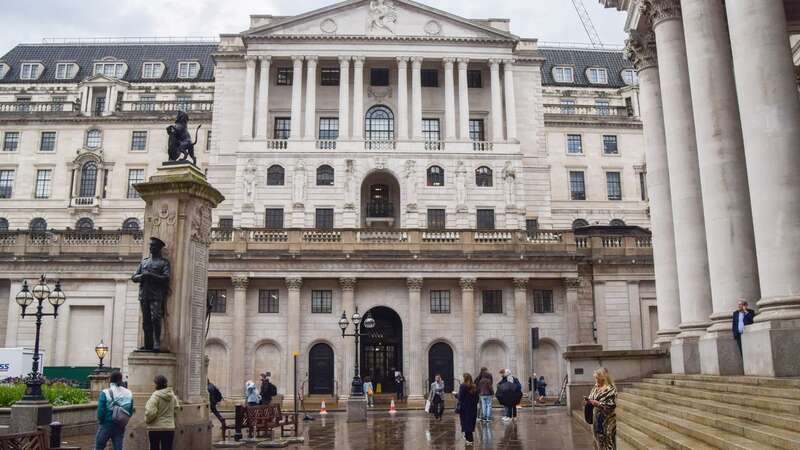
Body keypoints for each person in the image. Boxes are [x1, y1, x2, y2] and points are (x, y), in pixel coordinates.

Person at [95, 370, 133, 450]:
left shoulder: (105, 392)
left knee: (100, 445)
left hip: (106, 423)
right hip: (120, 424)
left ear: (110, 380)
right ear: (121, 379)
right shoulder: (129, 393)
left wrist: (101, 421)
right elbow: (130, 410)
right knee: (118, 446)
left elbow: (101, 411)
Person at [145, 374, 179, 450]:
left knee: (154, 447)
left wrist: (147, 421)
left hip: (155, 428)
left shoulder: (155, 396)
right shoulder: (172, 396)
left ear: (157, 384)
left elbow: (150, 412)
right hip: (169, 428)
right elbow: (176, 409)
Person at [585, 368, 617, 450]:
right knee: (597, 440)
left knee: (608, 441)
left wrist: (599, 404)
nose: (596, 380)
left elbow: (612, 405)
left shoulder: (610, 389)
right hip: (596, 419)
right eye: (595, 378)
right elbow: (591, 397)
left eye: (597, 378)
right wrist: (589, 401)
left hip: (607, 420)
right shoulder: (595, 387)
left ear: (602, 378)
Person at [456, 373, 480, 446]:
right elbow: (477, 398)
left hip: (465, 408)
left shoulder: (463, 386)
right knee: (470, 423)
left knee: (465, 423)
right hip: (473, 408)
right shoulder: (474, 386)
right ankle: (469, 439)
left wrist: (455, 394)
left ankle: (469, 440)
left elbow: (460, 397)